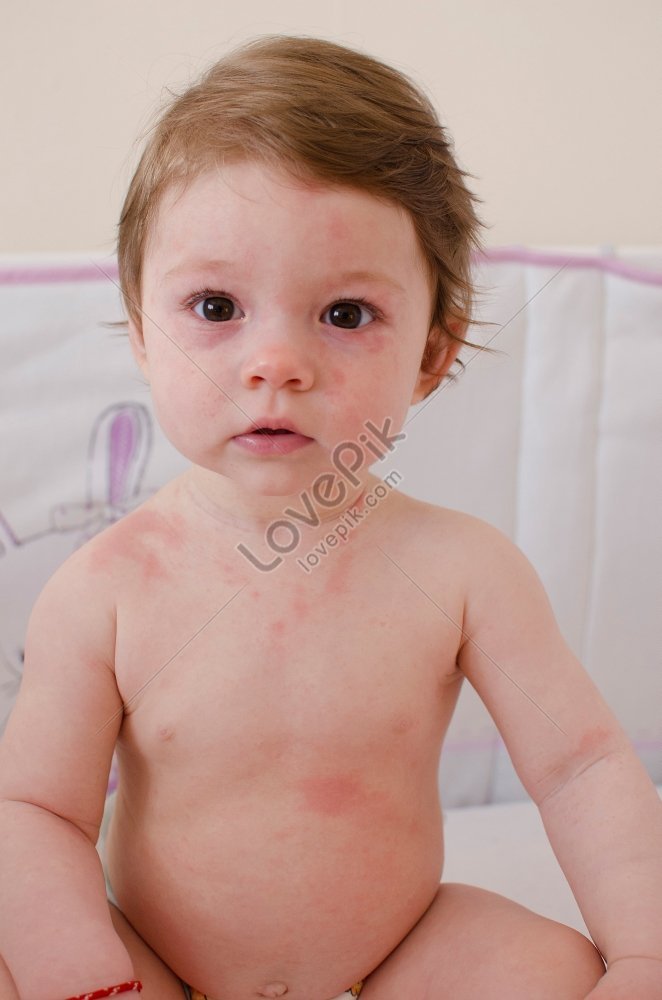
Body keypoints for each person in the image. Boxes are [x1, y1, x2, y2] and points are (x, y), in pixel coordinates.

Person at [1, 34, 661, 1000]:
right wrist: (83, 971)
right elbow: (35, 810)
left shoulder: (463, 571)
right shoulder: (106, 589)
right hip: (152, 960)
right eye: (217, 305)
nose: (276, 362)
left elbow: (582, 767)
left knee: (551, 973)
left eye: (345, 315)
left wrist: (643, 953)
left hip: (398, 952)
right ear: (142, 334)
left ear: (432, 356)